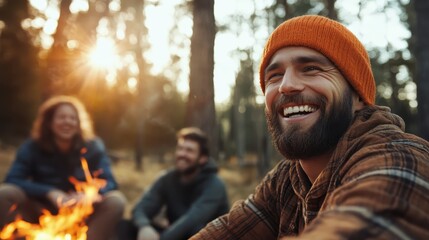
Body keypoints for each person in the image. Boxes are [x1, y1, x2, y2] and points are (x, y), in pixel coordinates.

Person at [191, 15, 429, 240]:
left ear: (357, 95)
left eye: (311, 69)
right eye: (274, 75)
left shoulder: (400, 158)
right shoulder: (286, 180)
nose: (286, 86)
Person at [0, 95, 126, 240]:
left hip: (83, 213)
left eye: (73, 118)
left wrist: (89, 195)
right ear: (49, 123)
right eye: (61, 117)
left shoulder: (93, 147)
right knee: (5, 193)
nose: (67, 122)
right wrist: (50, 192)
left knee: (116, 200)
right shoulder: (32, 147)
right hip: (41, 211)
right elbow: (13, 178)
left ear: (79, 124)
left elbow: (110, 182)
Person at [126, 127, 229, 240]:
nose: (182, 154)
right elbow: (141, 208)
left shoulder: (214, 184)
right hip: (174, 235)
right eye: (180, 148)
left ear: (202, 159)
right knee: (126, 226)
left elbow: (191, 221)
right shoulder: (167, 178)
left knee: (196, 230)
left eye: (189, 151)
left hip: (204, 236)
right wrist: (144, 226)